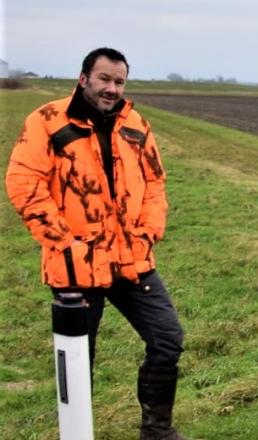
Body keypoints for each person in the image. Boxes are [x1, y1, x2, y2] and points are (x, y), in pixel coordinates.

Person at [5, 47, 188, 440]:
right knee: (77, 360)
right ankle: (77, 432)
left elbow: (155, 181)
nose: (112, 88)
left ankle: (156, 429)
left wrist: (148, 231)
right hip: (75, 265)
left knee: (168, 338)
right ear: (84, 77)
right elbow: (24, 184)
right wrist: (64, 241)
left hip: (131, 260)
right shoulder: (47, 121)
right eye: (105, 79)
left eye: (119, 81)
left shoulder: (136, 123)